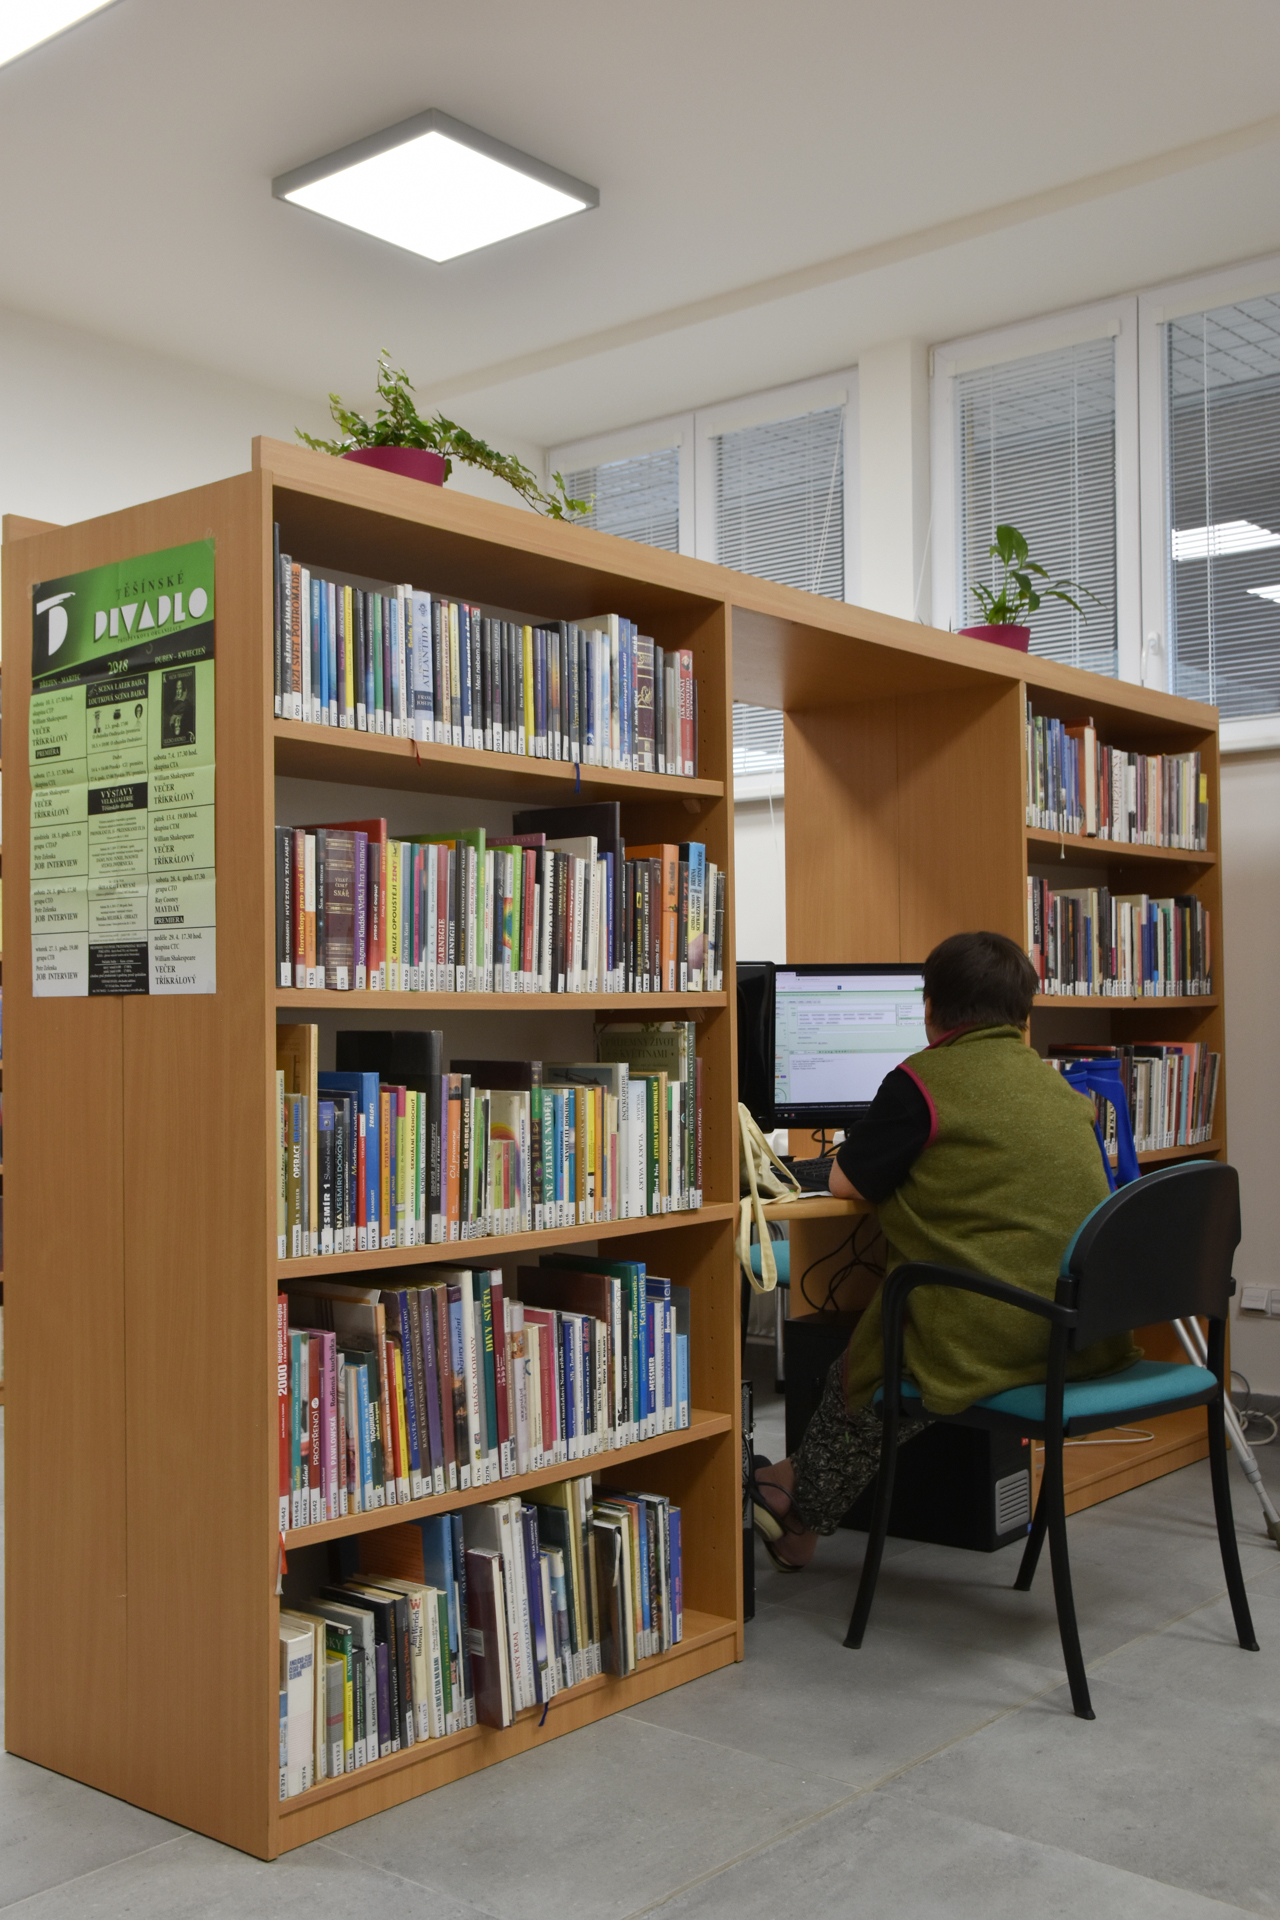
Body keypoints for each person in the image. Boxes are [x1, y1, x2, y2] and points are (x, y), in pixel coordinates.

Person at [753, 928, 1139, 1570]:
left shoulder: (921, 1080)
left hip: (993, 1333)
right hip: (1078, 1332)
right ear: (1024, 1012)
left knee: (862, 1371)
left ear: (929, 1007)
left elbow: (847, 1182)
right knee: (884, 1353)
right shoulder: (1060, 1090)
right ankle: (788, 1483)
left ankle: (799, 1517)